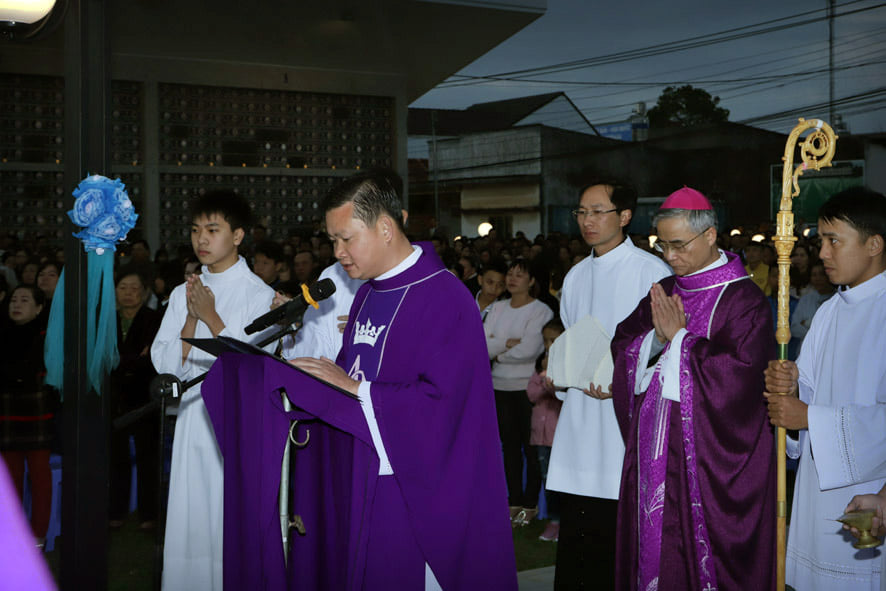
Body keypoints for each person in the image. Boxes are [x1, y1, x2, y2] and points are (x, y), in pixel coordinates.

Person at [291, 170, 517, 589]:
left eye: (346, 239)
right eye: (332, 241)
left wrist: (356, 390)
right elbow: (346, 373)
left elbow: (444, 403)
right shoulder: (367, 293)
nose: (337, 252)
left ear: (385, 227)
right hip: (362, 468)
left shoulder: (445, 295)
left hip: (412, 483)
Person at [612, 187, 776, 590]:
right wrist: (654, 340)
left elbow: (741, 378)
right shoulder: (666, 290)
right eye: (661, 245)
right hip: (653, 450)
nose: (670, 256)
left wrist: (680, 340)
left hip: (705, 461)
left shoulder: (743, 300)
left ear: (709, 235)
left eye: (679, 245)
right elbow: (623, 344)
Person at [546, 178, 671, 590]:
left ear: (625, 216)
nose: (588, 220)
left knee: (614, 536)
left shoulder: (651, 272)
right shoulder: (577, 275)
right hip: (582, 417)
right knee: (577, 533)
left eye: (598, 211)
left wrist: (623, 379)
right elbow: (570, 336)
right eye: (582, 212)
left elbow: (666, 346)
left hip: (624, 424)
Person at [151, 190, 276, 591]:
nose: (201, 239)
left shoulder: (259, 295)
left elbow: (254, 365)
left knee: (226, 519)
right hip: (190, 420)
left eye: (212, 229)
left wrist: (211, 316)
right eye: (194, 230)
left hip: (234, 427)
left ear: (238, 236)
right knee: (190, 519)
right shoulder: (180, 292)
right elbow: (167, 365)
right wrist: (190, 319)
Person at [764, 187, 886, 591]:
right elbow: (810, 387)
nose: (823, 254)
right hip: (820, 488)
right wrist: (791, 386)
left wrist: (808, 416)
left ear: (874, 244)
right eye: (821, 242)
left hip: (871, 490)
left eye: (834, 241)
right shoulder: (831, 309)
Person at [484, 259, 554, 525]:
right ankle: (513, 502)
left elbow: (531, 349)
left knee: (531, 447)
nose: (512, 279)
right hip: (498, 385)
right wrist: (505, 345)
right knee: (509, 448)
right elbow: (481, 341)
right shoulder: (497, 307)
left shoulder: (540, 311)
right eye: (510, 274)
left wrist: (498, 351)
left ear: (531, 281)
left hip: (527, 388)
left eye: (519, 275)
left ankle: (530, 504)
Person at [0, 285, 55, 550]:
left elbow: (30, 369)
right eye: (13, 299)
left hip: (35, 412)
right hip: (8, 413)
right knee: (10, 480)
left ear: (39, 307)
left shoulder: (45, 336)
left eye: (24, 300)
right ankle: (12, 533)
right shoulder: (3, 333)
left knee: (39, 478)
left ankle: (38, 535)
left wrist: (17, 375)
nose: (17, 304)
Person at [109, 266, 162, 530]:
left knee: (147, 457)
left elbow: (152, 359)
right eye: (123, 288)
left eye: (135, 288)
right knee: (115, 457)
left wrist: (121, 360)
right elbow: (104, 360)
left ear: (145, 292)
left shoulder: (155, 319)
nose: (129, 293)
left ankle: (148, 515)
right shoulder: (106, 320)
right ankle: (115, 512)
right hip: (114, 396)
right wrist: (132, 359)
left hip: (145, 396)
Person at [526, 318, 565, 543]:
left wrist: (551, 382)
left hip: (558, 436)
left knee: (559, 481)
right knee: (546, 480)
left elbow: (559, 395)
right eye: (546, 340)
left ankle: (561, 520)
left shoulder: (566, 364)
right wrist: (543, 378)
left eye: (554, 339)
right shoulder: (540, 365)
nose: (549, 344)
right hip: (540, 436)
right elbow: (532, 395)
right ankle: (553, 521)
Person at [789, 260, 835, 354]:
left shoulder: (837, 298)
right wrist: (814, 336)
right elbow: (794, 327)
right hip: (806, 350)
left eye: (821, 274)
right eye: (814, 275)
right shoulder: (805, 299)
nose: (817, 278)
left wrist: (806, 323)